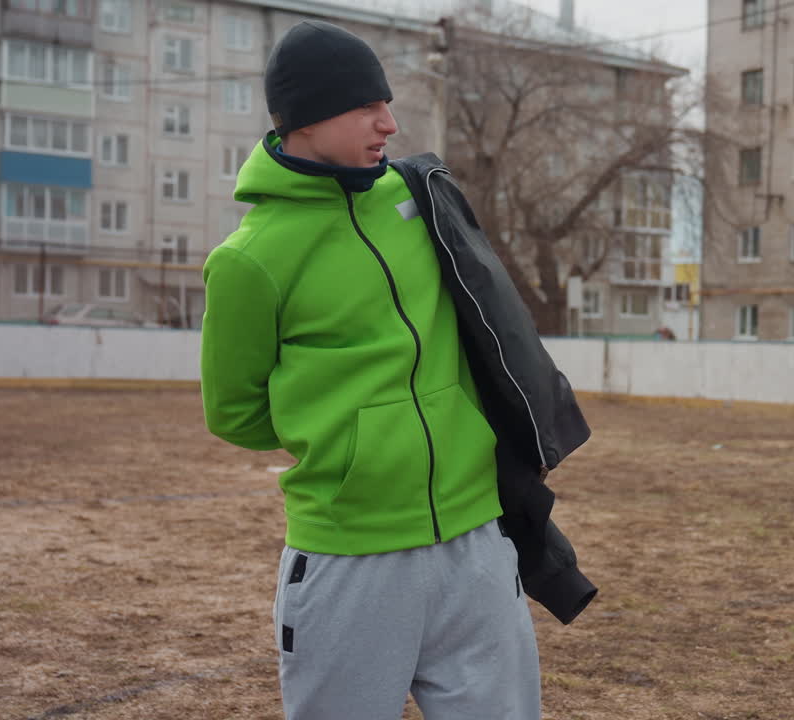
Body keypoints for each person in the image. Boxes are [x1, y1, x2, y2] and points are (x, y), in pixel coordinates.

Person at [200, 20, 595, 720]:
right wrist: (353, 442)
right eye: (366, 107)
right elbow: (234, 410)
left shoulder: (418, 200)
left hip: (476, 542)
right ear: (306, 119)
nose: (389, 122)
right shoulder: (248, 260)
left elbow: (486, 324)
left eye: (385, 103)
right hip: (352, 561)